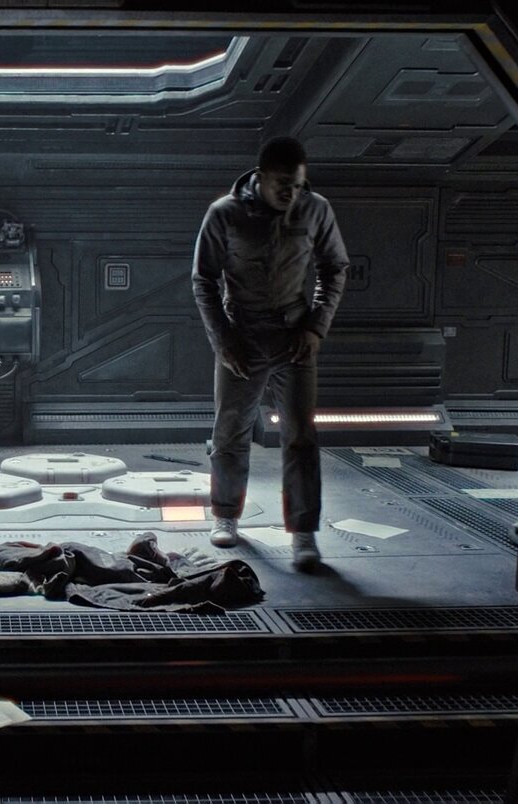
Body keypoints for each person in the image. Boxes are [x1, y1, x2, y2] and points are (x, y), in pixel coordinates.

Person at [191, 136, 349, 569]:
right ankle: (225, 516)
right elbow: (203, 280)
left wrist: (315, 326)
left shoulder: (316, 210)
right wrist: (223, 340)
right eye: (282, 185)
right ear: (260, 178)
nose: (291, 194)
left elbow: (335, 268)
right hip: (242, 336)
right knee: (230, 431)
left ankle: (303, 533)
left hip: (294, 336)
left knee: (300, 437)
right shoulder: (224, 213)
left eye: (297, 185)